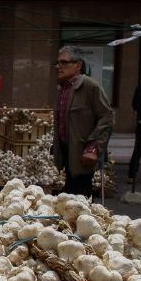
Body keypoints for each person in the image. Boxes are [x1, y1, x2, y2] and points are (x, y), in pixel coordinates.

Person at [52, 46, 114, 196]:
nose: (59, 66)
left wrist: (93, 148)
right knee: (70, 197)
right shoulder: (64, 88)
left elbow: (107, 117)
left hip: (83, 155)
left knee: (81, 200)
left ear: (78, 65)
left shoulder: (89, 86)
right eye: (57, 63)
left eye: (64, 62)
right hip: (68, 153)